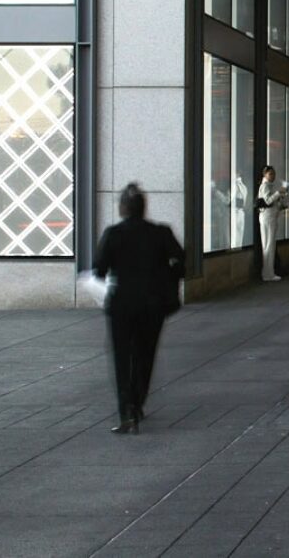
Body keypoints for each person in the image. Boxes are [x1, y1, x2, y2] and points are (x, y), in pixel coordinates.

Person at [94, 182, 186, 433]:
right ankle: (137, 402)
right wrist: (166, 276)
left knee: (122, 358)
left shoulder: (113, 234)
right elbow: (182, 263)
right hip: (152, 304)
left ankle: (126, 413)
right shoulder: (160, 233)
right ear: (144, 208)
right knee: (145, 355)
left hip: (122, 304)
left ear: (123, 208)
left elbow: (99, 269)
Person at [255, 165, 289, 282]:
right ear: (265, 175)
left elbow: (271, 202)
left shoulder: (268, 186)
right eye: (270, 174)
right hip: (267, 217)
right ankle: (268, 274)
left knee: (269, 245)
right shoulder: (265, 186)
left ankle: (269, 273)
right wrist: (278, 193)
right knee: (268, 245)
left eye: (274, 174)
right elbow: (268, 200)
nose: (273, 176)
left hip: (270, 217)